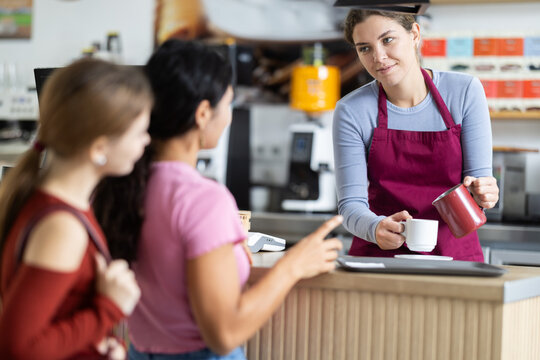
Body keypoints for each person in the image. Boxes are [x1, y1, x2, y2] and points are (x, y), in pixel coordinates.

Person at [92, 39, 343, 360]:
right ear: (202, 113)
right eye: (228, 104)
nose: (229, 117)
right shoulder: (203, 199)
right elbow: (224, 335)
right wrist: (292, 266)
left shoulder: (118, 188)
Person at [0, 58, 153, 359]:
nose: (146, 141)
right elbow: (17, 348)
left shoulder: (64, 208)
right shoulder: (62, 227)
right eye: (139, 133)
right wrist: (109, 309)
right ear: (99, 148)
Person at [333, 10, 499, 261]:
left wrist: (486, 192)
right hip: (379, 258)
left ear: (414, 34)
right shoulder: (352, 110)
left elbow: (478, 187)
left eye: (387, 40)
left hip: (454, 257)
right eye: (365, 48)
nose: (379, 57)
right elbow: (351, 205)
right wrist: (374, 227)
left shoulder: (464, 92)